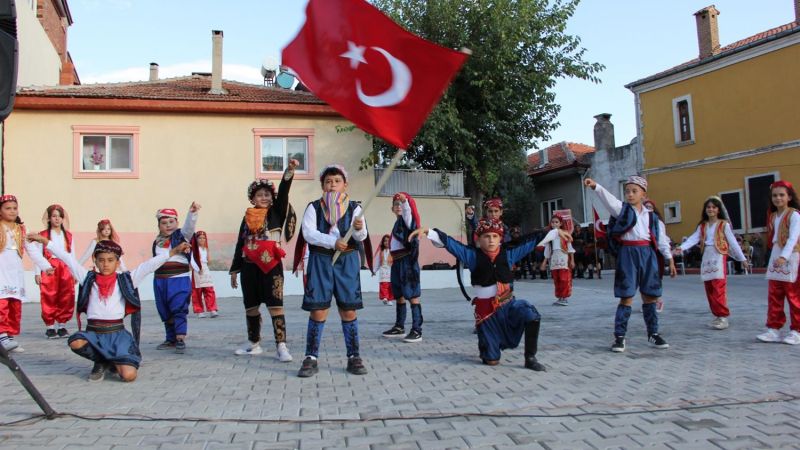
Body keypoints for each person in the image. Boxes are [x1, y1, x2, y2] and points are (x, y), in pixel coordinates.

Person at [410, 219, 570, 371]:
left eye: (495, 236)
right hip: (487, 313)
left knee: (531, 314)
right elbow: (452, 244)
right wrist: (429, 232)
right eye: (486, 236)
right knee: (492, 361)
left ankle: (530, 358)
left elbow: (529, 241)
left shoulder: (508, 253)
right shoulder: (471, 255)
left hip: (508, 305)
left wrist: (555, 232)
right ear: (479, 239)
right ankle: (489, 346)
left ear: (500, 238)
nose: (491, 240)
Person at [28, 233, 189, 382]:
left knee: (129, 376)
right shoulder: (87, 278)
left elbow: (149, 266)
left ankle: (112, 361)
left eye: (110, 260)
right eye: (101, 260)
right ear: (95, 261)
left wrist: (173, 251)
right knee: (75, 342)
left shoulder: (127, 280)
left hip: (117, 335)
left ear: (117, 262)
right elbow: (67, 258)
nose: (105, 264)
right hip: (94, 333)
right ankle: (100, 360)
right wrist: (45, 242)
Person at [293, 164, 371, 377]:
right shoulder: (313, 207)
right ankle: (311, 357)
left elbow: (362, 237)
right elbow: (309, 233)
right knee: (318, 309)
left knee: (348, 309)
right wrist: (332, 242)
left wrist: (358, 229)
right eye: (328, 182)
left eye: (337, 181)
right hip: (321, 261)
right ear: (322, 185)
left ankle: (353, 356)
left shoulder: (355, 208)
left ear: (345, 185)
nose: (332, 185)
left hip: (347, 262)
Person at [585, 176, 677, 353]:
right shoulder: (622, 211)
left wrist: (670, 259)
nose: (630, 194)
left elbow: (662, 240)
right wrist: (596, 186)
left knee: (649, 296)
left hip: (647, 254)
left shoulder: (653, 218)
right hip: (628, 253)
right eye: (627, 191)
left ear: (644, 194)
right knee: (626, 296)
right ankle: (619, 337)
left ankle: (653, 333)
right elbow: (609, 200)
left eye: (634, 191)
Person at [230, 161, 297, 361]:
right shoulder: (247, 217)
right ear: (252, 198)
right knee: (250, 306)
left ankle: (281, 346)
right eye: (260, 195)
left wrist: (290, 172)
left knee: (275, 305)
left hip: (272, 266)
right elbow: (240, 243)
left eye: (267, 194)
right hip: (249, 267)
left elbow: (284, 192)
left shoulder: (277, 211)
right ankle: (253, 343)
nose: (264, 197)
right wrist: (235, 269)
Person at [677, 196, 748, 330]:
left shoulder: (723, 224)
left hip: (719, 255)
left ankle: (723, 316)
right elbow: (693, 239)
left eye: (713, 207)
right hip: (707, 256)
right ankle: (716, 315)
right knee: (709, 287)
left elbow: (732, 242)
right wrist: (681, 247)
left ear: (718, 210)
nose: (711, 209)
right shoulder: (702, 226)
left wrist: (742, 258)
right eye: (708, 207)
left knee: (718, 287)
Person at [0, 195, 53, 352]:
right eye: (7, 208)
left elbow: (33, 250)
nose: (12, 211)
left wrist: (46, 266)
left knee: (14, 304)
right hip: (1, 271)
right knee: (2, 304)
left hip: (15, 272)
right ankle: (1, 335)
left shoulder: (21, 229)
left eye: (14, 208)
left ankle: (9, 336)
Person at [152, 203, 200, 354]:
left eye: (171, 222)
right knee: (164, 309)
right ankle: (170, 338)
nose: (168, 226)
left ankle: (180, 338)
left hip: (179, 280)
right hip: (160, 280)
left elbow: (189, 228)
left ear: (177, 223)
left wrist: (192, 214)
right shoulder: (156, 242)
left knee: (178, 307)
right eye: (164, 223)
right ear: (159, 225)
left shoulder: (181, 236)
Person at [757, 180, 800, 345]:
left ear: (789, 197)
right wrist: (777, 256)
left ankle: (797, 330)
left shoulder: (794, 215)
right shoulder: (773, 215)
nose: (778, 198)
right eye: (775, 195)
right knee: (774, 294)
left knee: (793, 295)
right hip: (776, 254)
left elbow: (794, 237)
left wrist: (785, 256)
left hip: (791, 256)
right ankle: (773, 329)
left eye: (782, 195)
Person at [381, 192, 423, 343]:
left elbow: (408, 214)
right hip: (397, 262)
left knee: (412, 295)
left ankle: (417, 329)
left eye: (400, 204)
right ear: (392, 209)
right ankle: (399, 326)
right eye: (396, 204)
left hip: (407, 262)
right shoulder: (396, 223)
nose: (398, 206)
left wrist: (405, 202)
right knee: (398, 295)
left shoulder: (406, 219)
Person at [34, 204, 76, 339]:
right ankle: (50, 327)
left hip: (65, 267)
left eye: (59, 216)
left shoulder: (68, 235)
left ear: (63, 219)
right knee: (49, 295)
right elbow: (37, 254)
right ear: (49, 218)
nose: (57, 219)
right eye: (54, 216)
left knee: (66, 295)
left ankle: (62, 325)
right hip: (49, 266)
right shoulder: (43, 235)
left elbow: (72, 254)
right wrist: (37, 272)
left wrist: (74, 272)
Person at [541, 214, 575, 306]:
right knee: (557, 279)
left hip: (563, 257)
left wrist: (572, 260)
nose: (554, 224)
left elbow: (570, 248)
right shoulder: (549, 235)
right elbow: (547, 250)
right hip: (554, 259)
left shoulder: (565, 234)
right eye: (553, 222)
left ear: (560, 223)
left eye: (556, 222)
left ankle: (564, 297)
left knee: (564, 278)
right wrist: (544, 262)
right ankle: (559, 297)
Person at [190, 231, 218, 319]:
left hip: (205, 269)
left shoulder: (205, 249)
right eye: (200, 238)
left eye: (203, 238)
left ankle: (212, 309)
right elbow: (191, 260)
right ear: (196, 239)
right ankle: (199, 311)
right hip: (197, 270)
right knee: (197, 291)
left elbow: (208, 260)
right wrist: (198, 268)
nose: (202, 240)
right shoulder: (194, 249)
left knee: (209, 289)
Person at [375, 234, 395, 305]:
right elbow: (377, 262)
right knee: (384, 285)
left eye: (388, 241)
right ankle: (385, 297)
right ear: (382, 242)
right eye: (385, 241)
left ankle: (389, 299)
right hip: (383, 271)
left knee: (390, 286)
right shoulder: (381, 252)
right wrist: (374, 271)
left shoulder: (393, 251)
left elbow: (396, 261)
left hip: (391, 271)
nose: (386, 242)